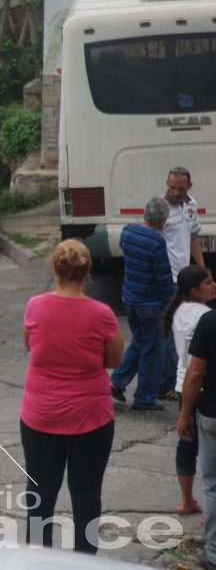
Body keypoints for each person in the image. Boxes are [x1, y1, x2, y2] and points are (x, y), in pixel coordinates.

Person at [20, 239, 123, 554]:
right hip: (90, 416)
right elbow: (114, 360)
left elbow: (30, 346)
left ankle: (36, 558)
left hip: (40, 415)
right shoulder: (102, 314)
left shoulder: (35, 306)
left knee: (40, 493)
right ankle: (85, 560)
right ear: (88, 271)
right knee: (87, 492)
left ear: (54, 268)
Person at [110, 197, 177, 410]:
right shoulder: (157, 243)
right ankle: (145, 397)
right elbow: (164, 280)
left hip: (130, 299)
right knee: (153, 350)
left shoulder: (128, 232)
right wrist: (175, 298)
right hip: (151, 304)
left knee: (139, 341)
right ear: (163, 220)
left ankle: (117, 381)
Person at [168, 266, 216, 516]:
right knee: (210, 454)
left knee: (187, 443)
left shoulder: (179, 311)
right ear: (195, 291)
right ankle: (211, 509)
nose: (214, 285)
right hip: (202, 387)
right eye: (209, 283)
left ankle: (187, 500)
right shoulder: (206, 316)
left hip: (181, 385)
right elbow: (198, 371)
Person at [161, 167, 207, 401]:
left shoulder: (190, 205)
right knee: (172, 329)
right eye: (172, 187)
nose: (175, 192)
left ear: (189, 186)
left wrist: (202, 269)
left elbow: (192, 238)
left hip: (185, 275)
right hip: (167, 277)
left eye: (180, 188)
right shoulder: (161, 208)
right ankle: (169, 381)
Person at [177, 304, 216, 570]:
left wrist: (184, 414)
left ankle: (214, 553)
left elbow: (195, 374)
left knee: (212, 484)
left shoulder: (210, 320)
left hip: (213, 413)